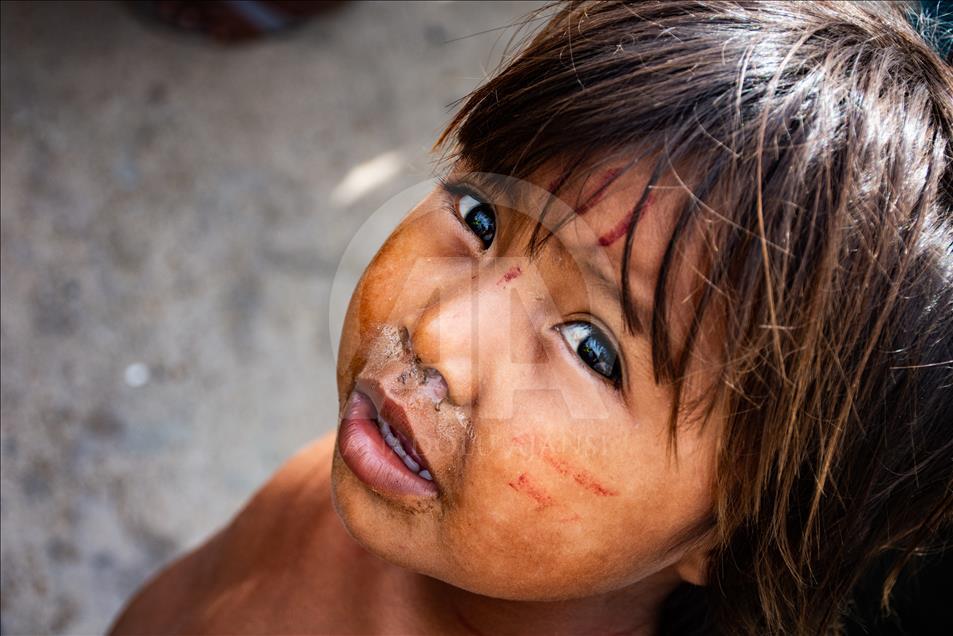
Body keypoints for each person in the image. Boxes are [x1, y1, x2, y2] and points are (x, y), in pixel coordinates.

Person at [109, 1, 953, 634]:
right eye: (479, 219)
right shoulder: (373, 469)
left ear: (735, 527)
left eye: (592, 349)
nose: (439, 332)